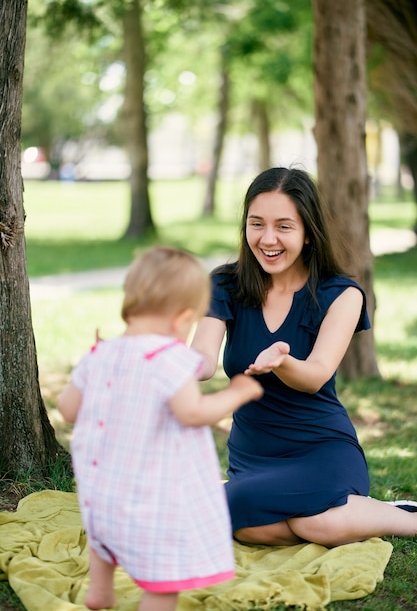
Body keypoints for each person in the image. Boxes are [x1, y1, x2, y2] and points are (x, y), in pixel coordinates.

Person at [191, 166, 417, 549]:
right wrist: (155, 354)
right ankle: (352, 513)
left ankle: (403, 518)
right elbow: (202, 361)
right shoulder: (225, 283)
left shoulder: (342, 294)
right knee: (254, 528)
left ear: (308, 232)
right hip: (255, 454)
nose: (267, 239)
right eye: (256, 224)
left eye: (284, 226)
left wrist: (283, 361)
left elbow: (315, 375)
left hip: (321, 449)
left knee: (239, 511)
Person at [58, 246, 263, 611]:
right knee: (163, 582)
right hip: (148, 502)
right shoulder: (169, 359)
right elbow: (193, 412)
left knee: (103, 539)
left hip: (100, 495)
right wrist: (237, 394)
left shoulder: (100, 352)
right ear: (183, 318)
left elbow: (68, 409)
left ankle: (100, 591)